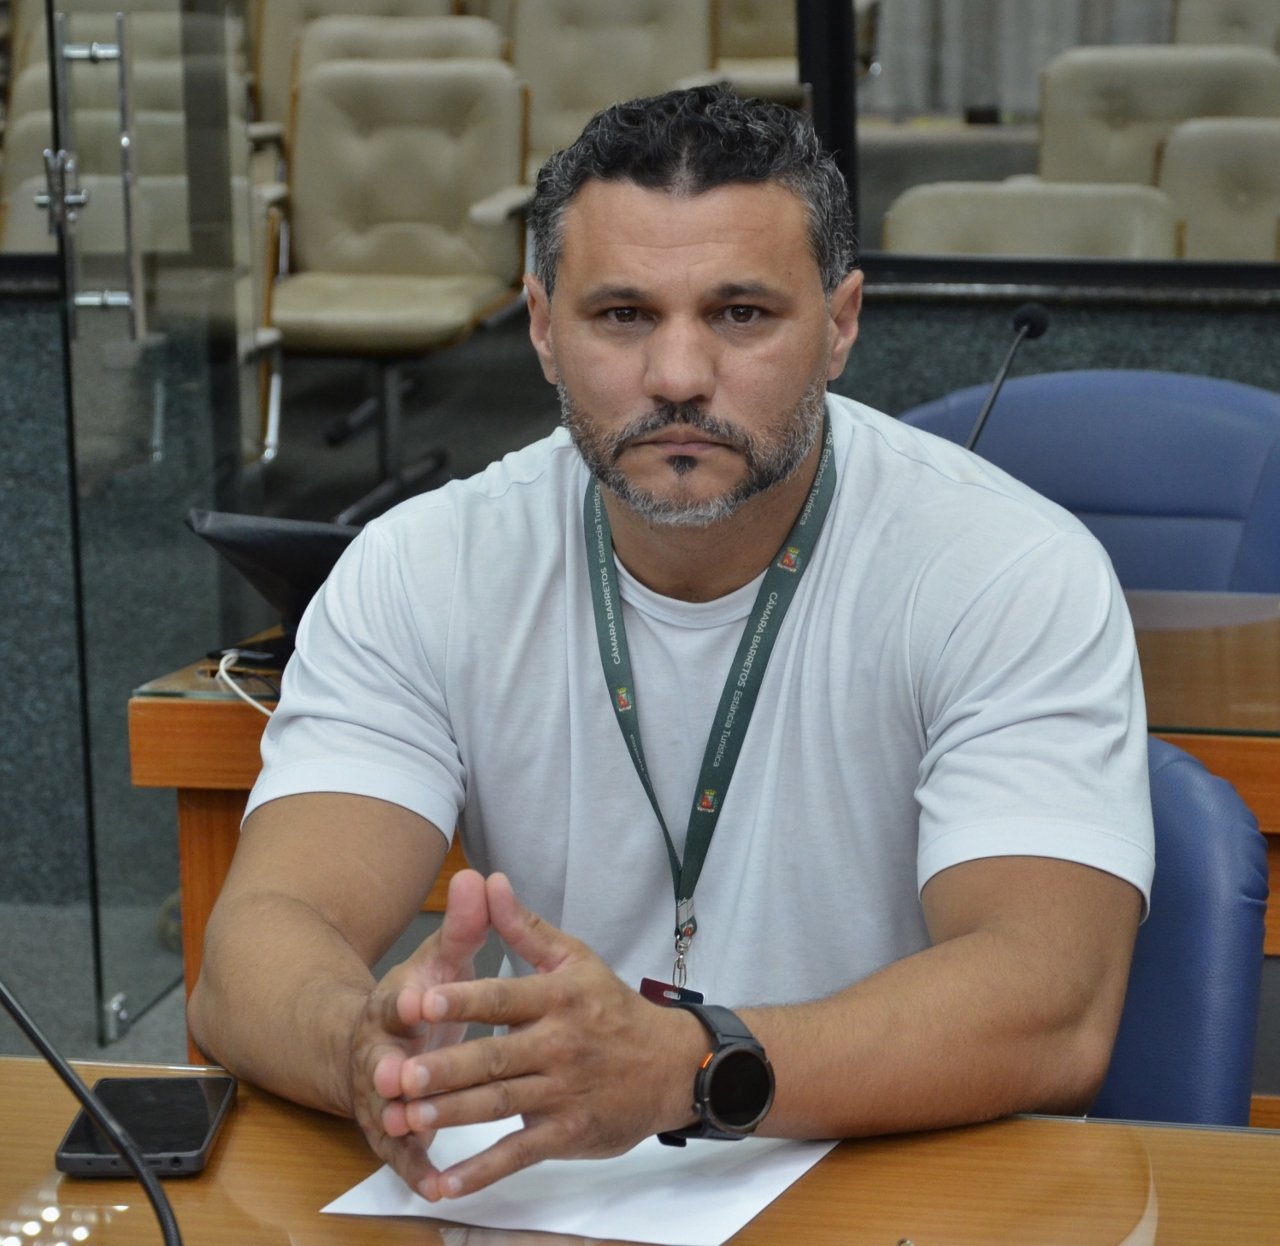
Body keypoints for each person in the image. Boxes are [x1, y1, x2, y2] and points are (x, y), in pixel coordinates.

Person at [189, 86, 1153, 1204]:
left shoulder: (1006, 568)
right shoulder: (424, 564)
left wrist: (689, 1068)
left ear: (840, 323)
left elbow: (1049, 1001)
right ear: (541, 328)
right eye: (622, 316)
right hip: (553, 1194)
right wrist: (358, 1048)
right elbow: (253, 948)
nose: (679, 375)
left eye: (740, 314)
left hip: (903, 1182)